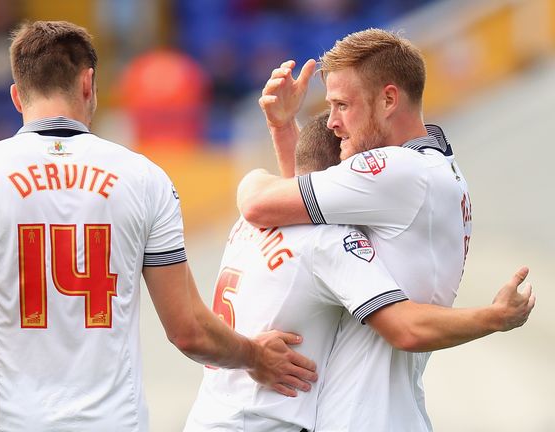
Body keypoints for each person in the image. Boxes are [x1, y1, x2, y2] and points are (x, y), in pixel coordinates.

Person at [0, 20, 314, 432]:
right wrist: (256, 356)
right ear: (88, 83)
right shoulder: (145, 179)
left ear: (18, 97)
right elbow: (188, 331)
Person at [237, 29, 532, 430]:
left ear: (389, 99)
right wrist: (284, 129)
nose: (333, 124)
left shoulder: (394, 171)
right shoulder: (434, 168)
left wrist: (251, 178)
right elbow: (309, 218)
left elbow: (260, 206)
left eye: (343, 105)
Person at [184, 112, 534, 431]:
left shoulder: (248, 220)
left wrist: (281, 128)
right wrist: (495, 317)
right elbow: (406, 328)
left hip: (208, 417)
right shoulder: (330, 242)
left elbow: (301, 190)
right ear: (345, 173)